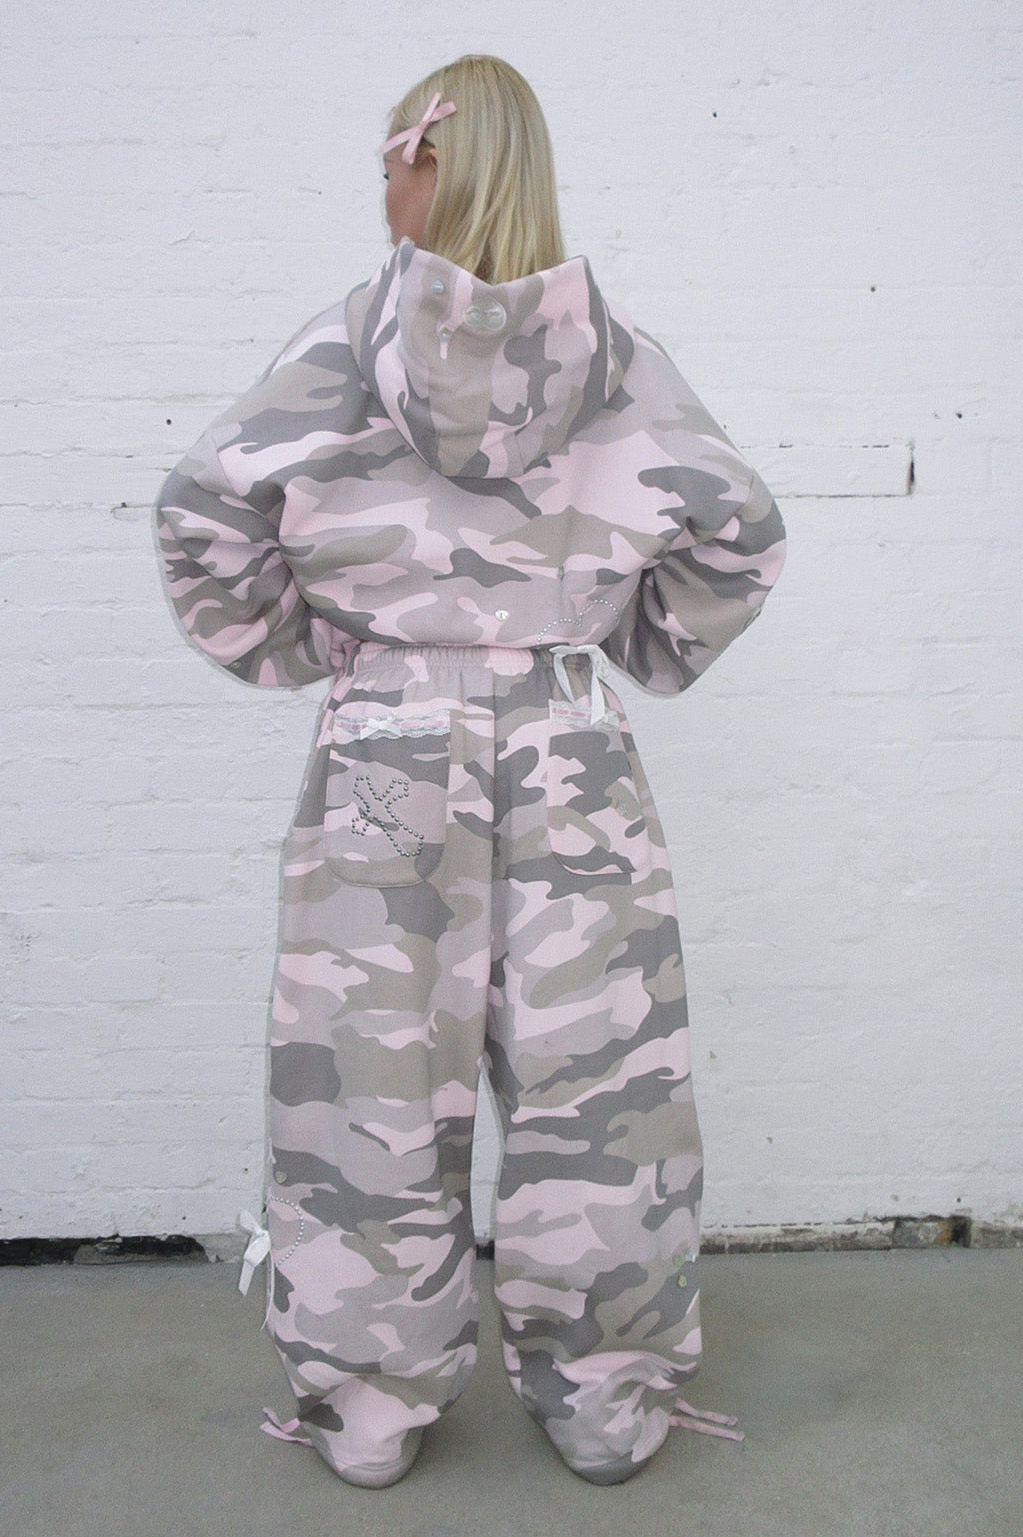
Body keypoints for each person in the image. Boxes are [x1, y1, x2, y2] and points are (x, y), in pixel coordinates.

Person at [153, 54, 786, 1489]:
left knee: (368, 1076)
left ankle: (370, 1405)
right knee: (600, 1082)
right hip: (568, 741)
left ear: (435, 163)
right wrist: (633, 635)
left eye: (392, 160)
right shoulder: (619, 358)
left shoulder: (342, 346)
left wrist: (313, 643)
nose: (382, 188)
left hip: (388, 751)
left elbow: (203, 515)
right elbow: (738, 531)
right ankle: (607, 1396)